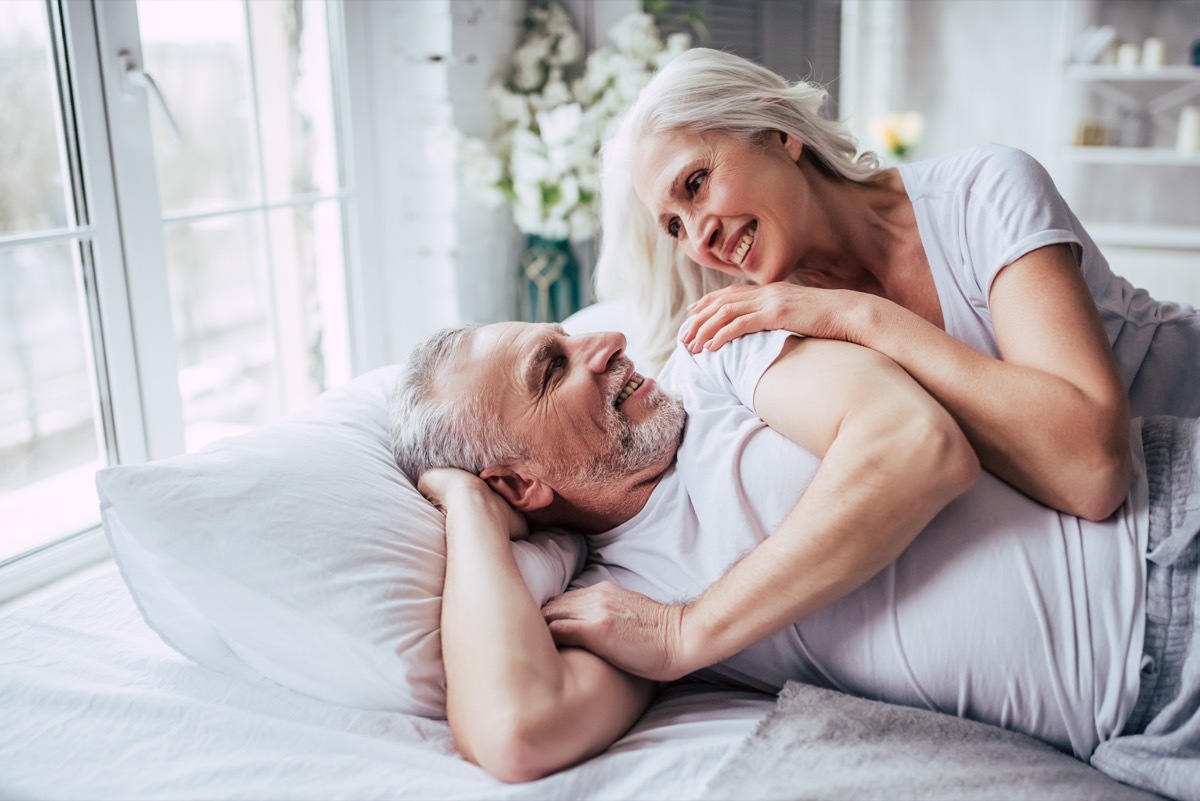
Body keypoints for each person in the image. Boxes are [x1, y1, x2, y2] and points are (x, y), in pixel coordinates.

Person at [390, 320, 1200, 799]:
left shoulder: (718, 363)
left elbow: (918, 446)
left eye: (566, 334)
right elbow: (518, 730)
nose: (604, 342)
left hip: (1169, 530)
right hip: (1146, 732)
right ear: (519, 483)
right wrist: (467, 511)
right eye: (554, 367)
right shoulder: (619, 601)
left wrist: (689, 632)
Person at [594, 47, 1200, 522]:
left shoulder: (983, 192)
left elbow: (1091, 469)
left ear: (779, 128)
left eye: (696, 183)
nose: (699, 239)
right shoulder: (781, 335)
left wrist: (860, 317)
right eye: (674, 226)